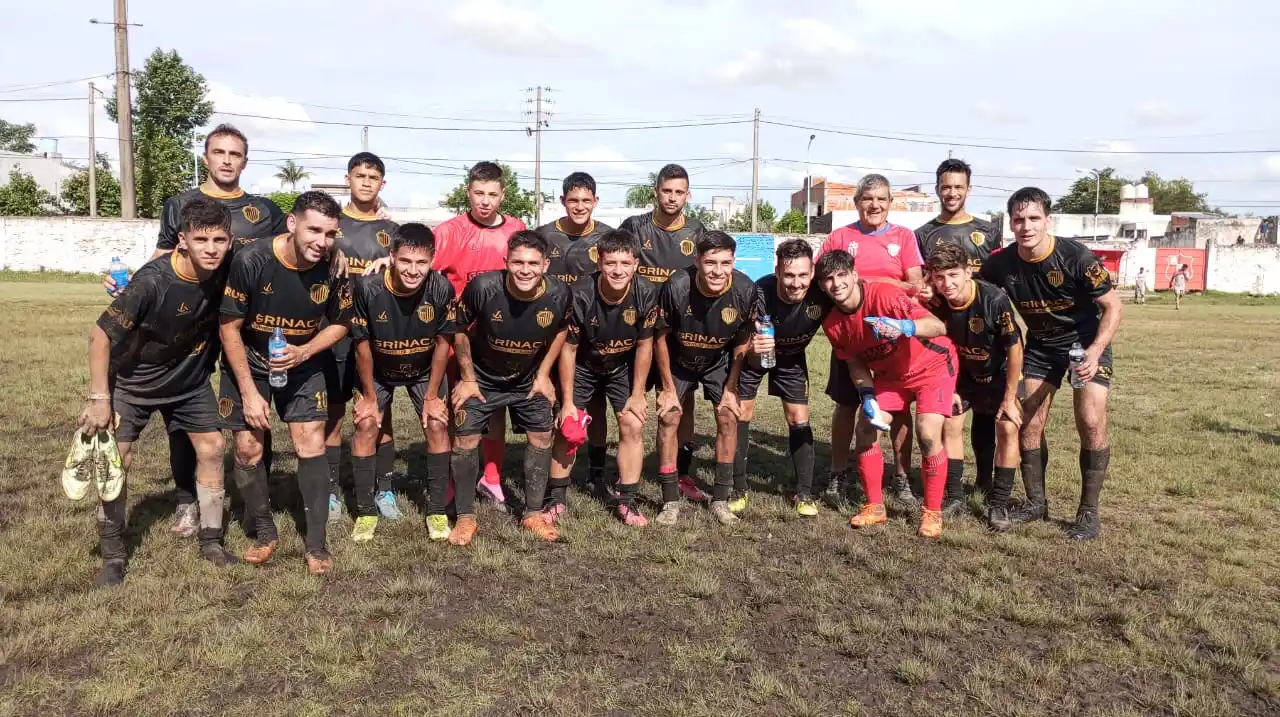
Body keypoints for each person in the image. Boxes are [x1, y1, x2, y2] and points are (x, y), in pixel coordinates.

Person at [102, 124, 286, 539]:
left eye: (234, 154)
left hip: (246, 323)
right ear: (206, 158)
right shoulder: (181, 203)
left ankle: (257, 498)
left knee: (253, 410)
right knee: (185, 415)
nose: (226, 160)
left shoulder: (265, 210)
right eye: (218, 152)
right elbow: (164, 256)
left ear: (245, 160)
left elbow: (281, 258)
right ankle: (188, 502)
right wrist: (129, 284)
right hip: (196, 323)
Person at [79, 198, 241, 586]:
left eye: (220, 240)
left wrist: (338, 256)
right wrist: (99, 398)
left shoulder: (227, 266)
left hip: (188, 381)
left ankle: (212, 541)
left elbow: (281, 248)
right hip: (132, 384)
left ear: (231, 241)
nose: (211, 249)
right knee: (117, 460)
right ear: (182, 240)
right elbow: (100, 335)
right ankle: (114, 555)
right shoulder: (152, 281)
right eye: (201, 240)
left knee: (213, 449)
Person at [218, 191, 352, 575]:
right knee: (246, 449)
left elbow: (342, 322)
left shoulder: (333, 266)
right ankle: (264, 532)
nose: (321, 242)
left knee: (310, 441)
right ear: (292, 224)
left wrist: (305, 351)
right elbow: (229, 326)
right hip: (250, 362)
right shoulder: (252, 260)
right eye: (313, 230)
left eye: (330, 234)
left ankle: (316, 544)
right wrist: (247, 391)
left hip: (303, 361)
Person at [980, 187, 1123, 540]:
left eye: (1033, 218)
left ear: (1047, 220)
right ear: (1010, 223)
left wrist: (1095, 350)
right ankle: (1036, 503)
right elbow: (974, 291)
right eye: (1018, 219)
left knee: (1090, 420)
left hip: (1085, 346)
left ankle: (1088, 512)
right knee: (1027, 423)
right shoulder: (1001, 263)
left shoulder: (1075, 256)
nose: (1026, 226)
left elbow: (1113, 306)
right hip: (1042, 348)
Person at [817, 249, 956, 538]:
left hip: (932, 367)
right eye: (828, 279)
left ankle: (932, 512)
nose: (836, 284)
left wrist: (905, 327)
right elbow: (855, 362)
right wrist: (867, 396)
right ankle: (875, 506)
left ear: (855, 276)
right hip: (891, 377)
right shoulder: (832, 323)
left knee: (928, 432)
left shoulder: (884, 295)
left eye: (842, 275)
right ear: (822, 286)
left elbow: (938, 326)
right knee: (866, 427)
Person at [449, 230, 571, 545]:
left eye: (533, 262)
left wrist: (544, 374)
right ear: (506, 262)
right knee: (465, 440)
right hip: (483, 378)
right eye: (518, 262)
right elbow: (459, 330)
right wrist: (468, 377)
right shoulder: (483, 288)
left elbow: (561, 331)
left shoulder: (559, 293)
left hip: (527, 380)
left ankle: (532, 513)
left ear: (545, 264)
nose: (525, 269)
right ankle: (465, 517)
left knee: (542, 435)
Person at [817, 174, 925, 506]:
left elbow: (915, 284)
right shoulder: (840, 236)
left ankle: (901, 475)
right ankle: (837, 472)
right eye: (867, 199)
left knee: (898, 410)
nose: (874, 205)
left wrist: (870, 283)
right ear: (857, 202)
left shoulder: (903, 237)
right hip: (850, 334)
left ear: (890, 202)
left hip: (893, 339)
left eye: (881, 199)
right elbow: (822, 275)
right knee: (847, 404)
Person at [349, 223, 455, 542]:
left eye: (421, 262)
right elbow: (362, 345)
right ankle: (367, 511)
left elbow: (442, 343)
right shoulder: (368, 289)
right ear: (392, 256)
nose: (412, 270)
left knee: (437, 423)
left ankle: (436, 509)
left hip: (423, 369)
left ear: (432, 260)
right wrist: (368, 395)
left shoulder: (441, 289)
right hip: (378, 368)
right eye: (405, 261)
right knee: (367, 424)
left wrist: (433, 395)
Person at [433, 161, 528, 512]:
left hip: (502, 340)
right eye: (478, 193)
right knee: (459, 407)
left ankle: (491, 476)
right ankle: (456, 480)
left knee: (495, 410)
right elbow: (419, 265)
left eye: (492, 194)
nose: (485, 201)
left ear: (503, 194)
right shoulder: (450, 231)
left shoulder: (516, 229)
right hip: (461, 339)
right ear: (468, 192)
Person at [550, 229, 660, 526]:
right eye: (611, 263)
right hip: (584, 365)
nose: (618, 270)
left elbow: (645, 345)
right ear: (600, 263)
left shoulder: (647, 292)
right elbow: (568, 350)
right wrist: (568, 402)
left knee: (633, 423)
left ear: (636, 264)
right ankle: (556, 499)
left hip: (620, 368)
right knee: (569, 428)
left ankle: (627, 502)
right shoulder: (581, 293)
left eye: (625, 263)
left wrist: (638, 393)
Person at [652, 231, 756, 526]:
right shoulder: (676, 285)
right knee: (670, 416)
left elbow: (743, 338)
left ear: (733, 262)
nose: (717, 271)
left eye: (725, 263)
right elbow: (660, 336)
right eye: (710, 262)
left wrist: (731, 388)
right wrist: (668, 388)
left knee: (727, 416)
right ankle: (670, 500)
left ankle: (721, 499)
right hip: (678, 358)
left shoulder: (745, 289)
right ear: (697, 260)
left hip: (718, 360)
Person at [915, 159, 1005, 499]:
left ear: (969, 188)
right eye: (946, 186)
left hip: (986, 337)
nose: (952, 193)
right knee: (951, 414)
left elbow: (998, 285)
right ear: (937, 188)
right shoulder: (923, 234)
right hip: (947, 339)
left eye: (958, 187)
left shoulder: (988, 230)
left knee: (986, 411)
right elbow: (924, 285)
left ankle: (984, 479)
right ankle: (952, 490)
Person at [620, 164, 708, 503]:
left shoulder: (697, 232)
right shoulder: (634, 227)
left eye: (679, 192)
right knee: (635, 399)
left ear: (688, 195)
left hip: (677, 335)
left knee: (681, 403)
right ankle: (629, 472)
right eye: (666, 191)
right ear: (655, 191)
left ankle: (681, 472)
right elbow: (619, 267)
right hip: (638, 332)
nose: (672, 198)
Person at [925, 242, 1025, 529]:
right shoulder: (938, 301)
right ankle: (956, 497)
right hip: (963, 376)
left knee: (1008, 427)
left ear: (968, 272)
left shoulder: (993, 300)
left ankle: (999, 504)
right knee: (951, 424)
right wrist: (951, 385)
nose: (947, 284)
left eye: (954, 275)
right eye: (940, 277)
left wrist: (1009, 397)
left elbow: (1015, 348)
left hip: (1000, 373)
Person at [326, 152, 399, 524]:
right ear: (348, 179)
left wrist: (391, 264)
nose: (366, 182)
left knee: (378, 415)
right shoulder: (330, 224)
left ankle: (383, 488)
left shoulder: (392, 229)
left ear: (382, 183)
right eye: (359, 175)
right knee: (334, 414)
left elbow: (410, 273)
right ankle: (332, 491)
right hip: (335, 331)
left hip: (376, 334)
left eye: (373, 176)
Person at [737, 239, 831, 517]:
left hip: (791, 357)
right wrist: (754, 349)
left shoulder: (822, 294)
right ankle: (737, 487)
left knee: (798, 417)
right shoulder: (758, 292)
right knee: (741, 413)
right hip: (756, 354)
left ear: (812, 273)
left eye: (803, 275)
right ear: (777, 271)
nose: (796, 283)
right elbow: (743, 344)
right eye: (789, 275)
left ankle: (803, 493)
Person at [536, 172, 614, 495]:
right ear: (562, 201)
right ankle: (547, 471)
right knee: (551, 402)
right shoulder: (543, 236)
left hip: (592, 337)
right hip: (552, 335)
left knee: (594, 407)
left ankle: (596, 471)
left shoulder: (609, 236)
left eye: (586, 200)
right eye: (573, 200)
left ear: (596, 201)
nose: (579, 206)